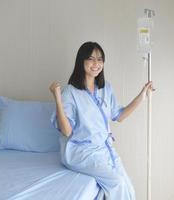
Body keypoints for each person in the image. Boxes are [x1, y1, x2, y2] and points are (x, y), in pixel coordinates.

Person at [49, 41, 154, 200]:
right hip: (81, 152)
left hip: (103, 149)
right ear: (81, 61)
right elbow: (67, 130)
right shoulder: (70, 93)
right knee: (118, 183)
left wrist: (142, 96)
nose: (96, 64)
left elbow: (119, 116)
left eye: (100, 59)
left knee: (128, 188)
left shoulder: (106, 88)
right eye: (91, 59)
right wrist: (57, 99)